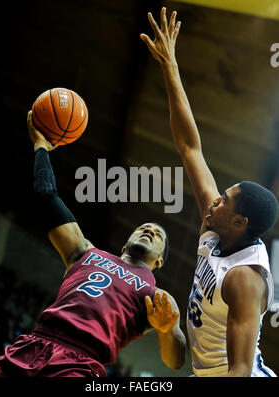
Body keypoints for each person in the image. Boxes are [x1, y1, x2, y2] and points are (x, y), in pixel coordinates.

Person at [0, 111, 186, 377]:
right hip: (33, 344)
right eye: (143, 227)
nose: (149, 230)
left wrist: (167, 330)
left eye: (157, 234)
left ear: (159, 262)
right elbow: (47, 197)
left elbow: (176, 361)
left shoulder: (158, 299)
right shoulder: (85, 251)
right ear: (124, 245)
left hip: (80, 365)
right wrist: (41, 146)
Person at [141, 7, 278, 377]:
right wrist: (170, 65)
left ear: (239, 220)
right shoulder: (217, 224)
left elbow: (239, 370)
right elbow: (190, 148)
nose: (213, 199)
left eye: (224, 199)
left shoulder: (244, 279)